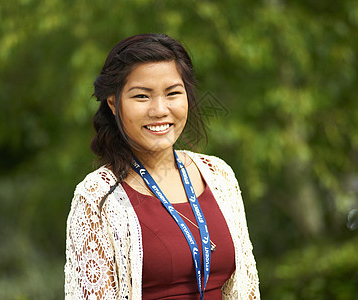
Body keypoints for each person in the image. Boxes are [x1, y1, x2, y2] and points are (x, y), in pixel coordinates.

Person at [64, 33, 260, 299]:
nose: (159, 110)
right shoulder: (96, 197)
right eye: (142, 96)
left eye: (173, 93)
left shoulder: (219, 175)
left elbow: (245, 290)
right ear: (113, 103)